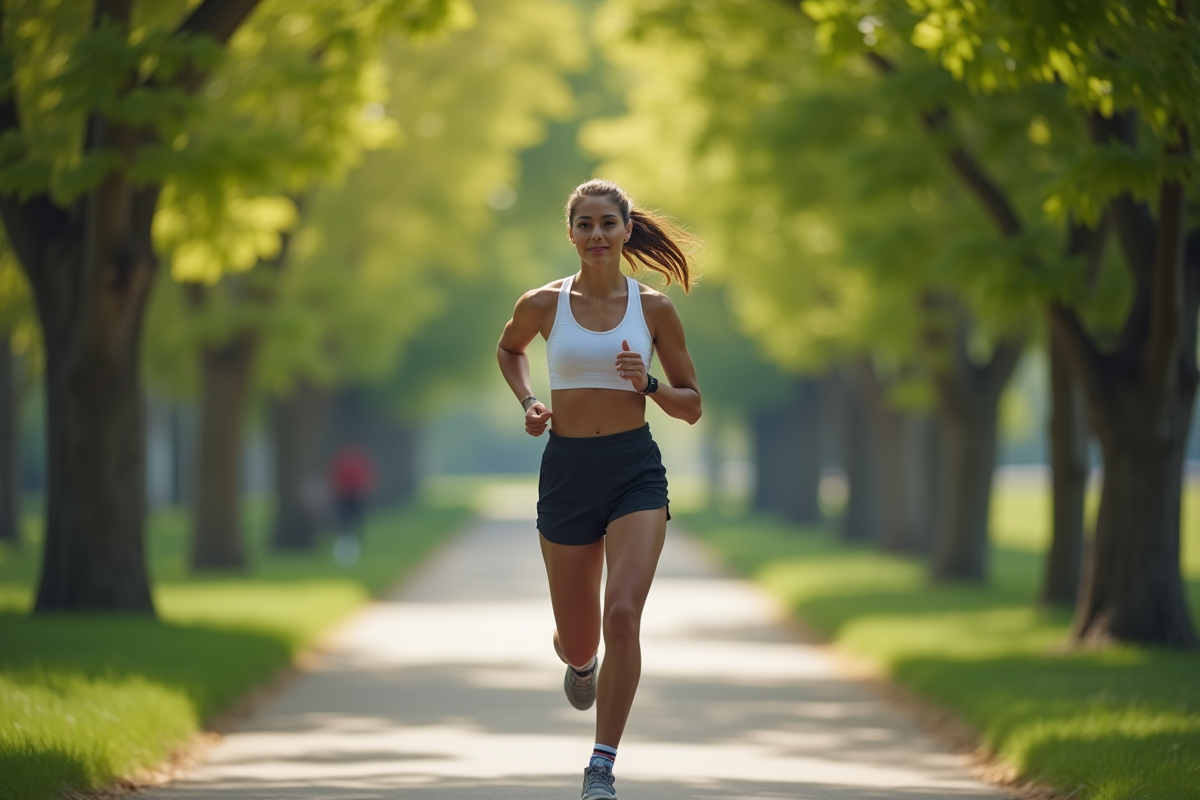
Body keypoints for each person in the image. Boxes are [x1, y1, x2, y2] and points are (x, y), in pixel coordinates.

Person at [496, 179, 702, 800]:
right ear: (571, 233)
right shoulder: (542, 304)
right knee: (580, 636)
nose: (596, 235)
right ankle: (581, 663)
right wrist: (531, 402)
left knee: (623, 614)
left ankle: (601, 766)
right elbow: (509, 351)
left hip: (632, 469)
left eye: (607, 223)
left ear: (625, 229)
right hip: (566, 472)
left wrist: (649, 385)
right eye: (584, 224)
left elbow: (691, 406)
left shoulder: (655, 310)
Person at [328, 444, 375, 565]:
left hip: (350, 495)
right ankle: (348, 546)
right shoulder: (357, 459)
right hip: (348, 495)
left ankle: (350, 546)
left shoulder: (344, 459)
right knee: (350, 523)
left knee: (350, 523)